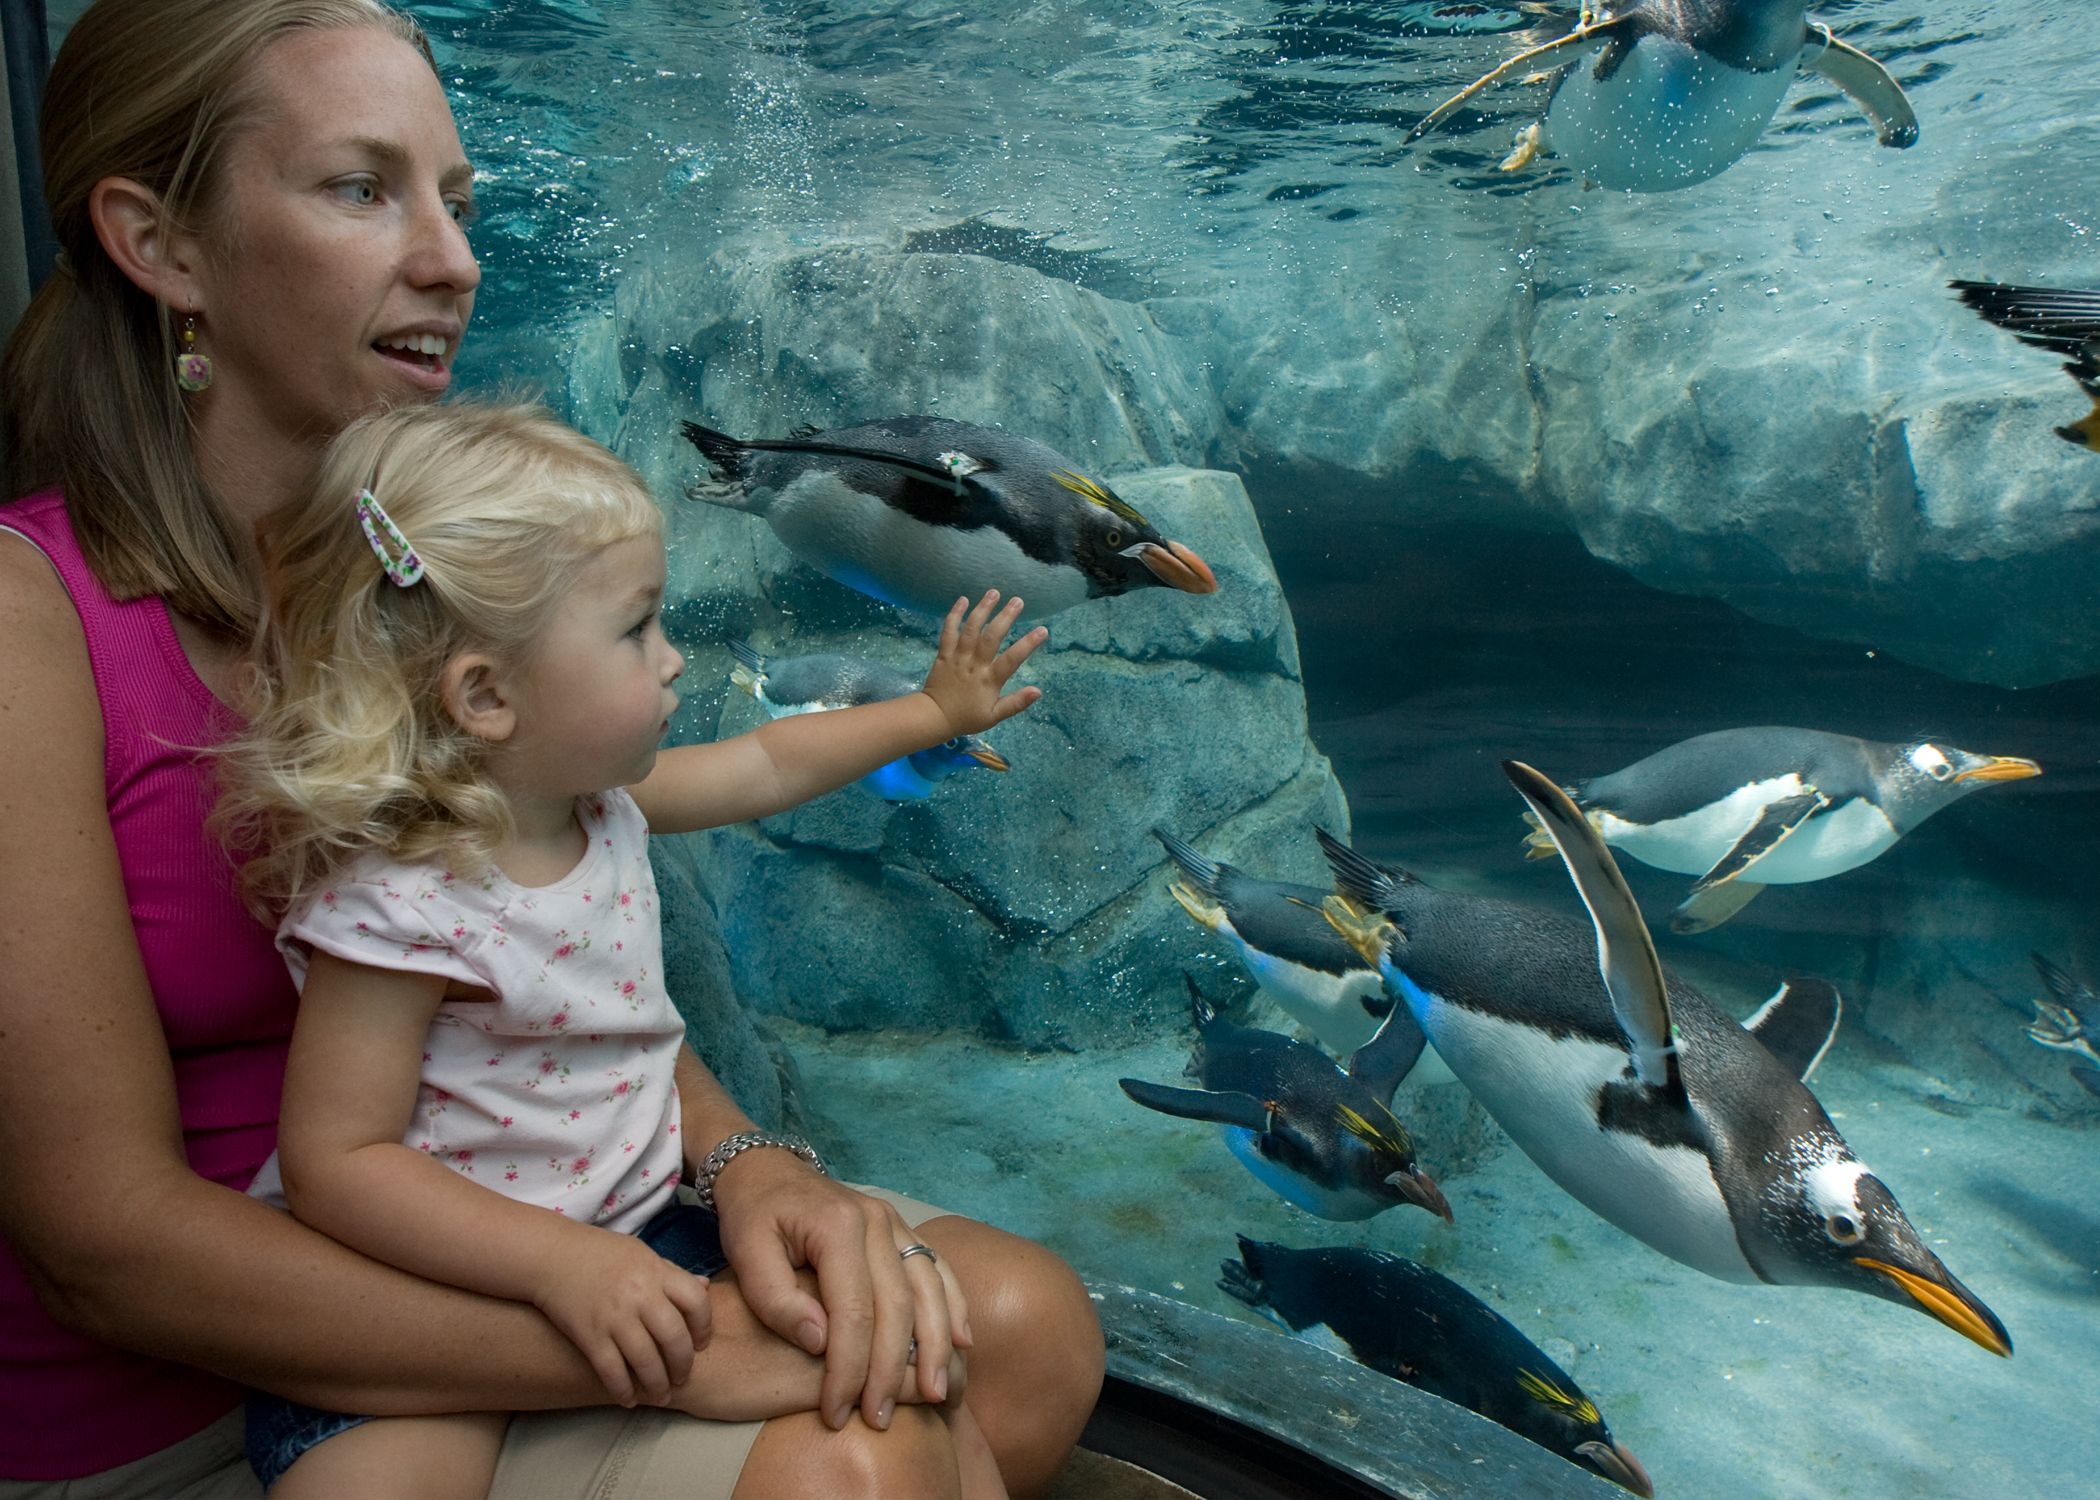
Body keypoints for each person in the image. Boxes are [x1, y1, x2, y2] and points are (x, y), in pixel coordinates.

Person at [0, 2, 1104, 1497]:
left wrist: (750, 1167)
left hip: (578, 1239)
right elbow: (100, 1249)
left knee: (1027, 1333)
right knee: (863, 1456)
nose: (454, 260)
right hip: (228, 1386)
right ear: (160, 242)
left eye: (457, 201)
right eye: (361, 188)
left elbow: (559, 975)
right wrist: (689, 1349)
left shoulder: (448, 584)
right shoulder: (29, 622)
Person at [213, 398, 1045, 1497]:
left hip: (639, 1238)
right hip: (434, 1287)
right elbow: (338, 1162)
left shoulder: (604, 806)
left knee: (922, 1388)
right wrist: (558, 1265)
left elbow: (767, 763)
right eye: (637, 628)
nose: (673, 659)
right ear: (487, 695)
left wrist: (932, 713)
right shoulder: (401, 903)